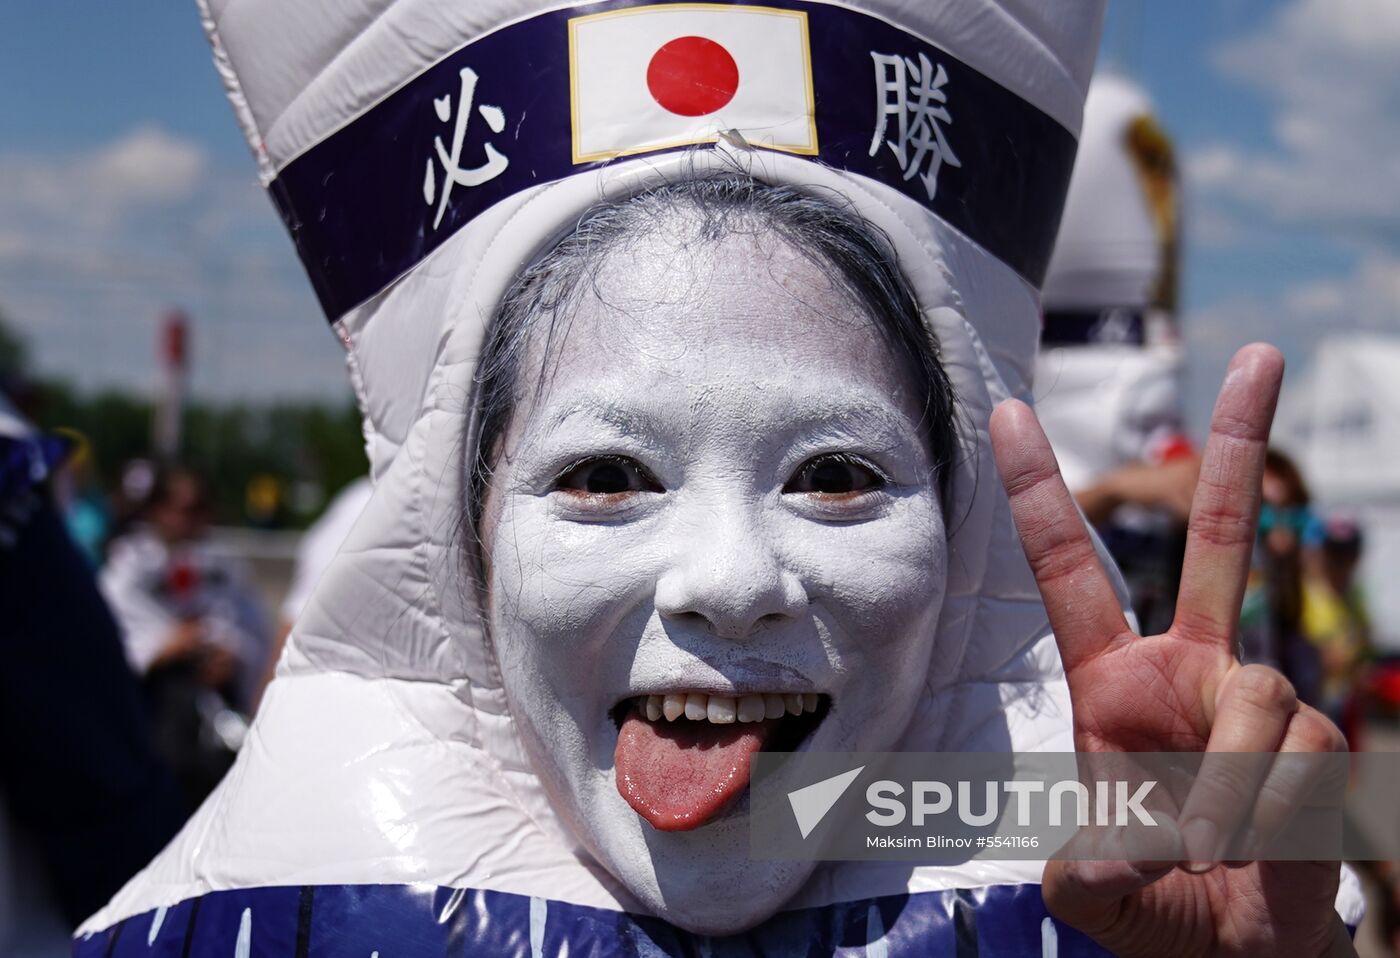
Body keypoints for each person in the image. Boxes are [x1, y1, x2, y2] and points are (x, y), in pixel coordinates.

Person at [77, 2, 1362, 955]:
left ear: (963, 536)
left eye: (836, 475)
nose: (729, 581)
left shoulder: (1116, 901)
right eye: (602, 476)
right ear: (457, 538)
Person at [100, 466, 271, 804]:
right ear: (157, 509)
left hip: (215, 727)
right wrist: (164, 648)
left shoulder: (225, 566)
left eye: (200, 508)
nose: (190, 521)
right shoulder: (128, 567)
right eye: (182, 509)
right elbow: (109, 640)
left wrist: (233, 656)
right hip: (152, 720)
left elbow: (256, 632)